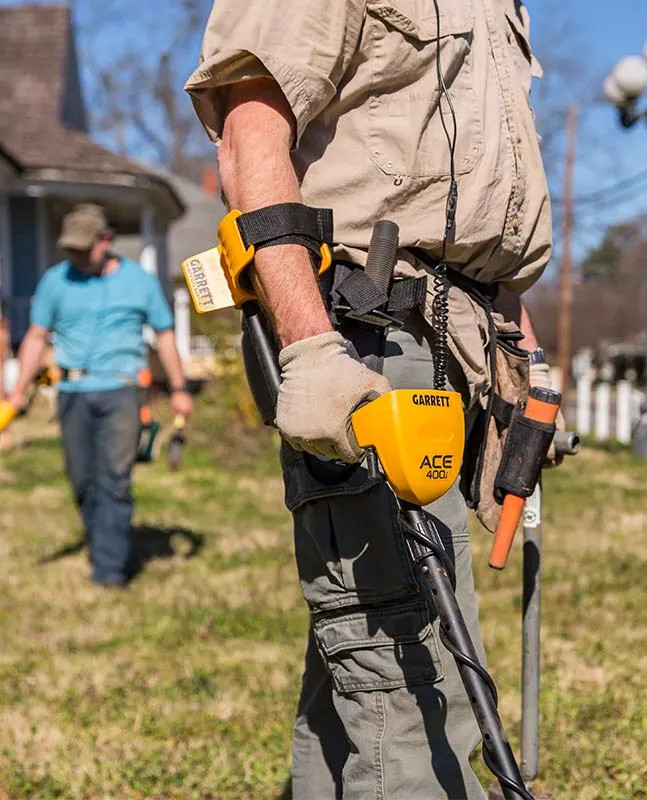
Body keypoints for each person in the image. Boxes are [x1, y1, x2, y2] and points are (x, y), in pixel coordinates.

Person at [185, 1, 554, 796]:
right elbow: (250, 136)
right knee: (409, 667)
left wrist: (526, 360)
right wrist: (314, 351)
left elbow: (486, 217)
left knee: (366, 642)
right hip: (365, 337)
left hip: (462, 337)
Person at [8, 204, 193, 587]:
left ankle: (108, 570)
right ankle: (101, 540)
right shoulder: (55, 282)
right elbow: (35, 338)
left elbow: (164, 335)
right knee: (81, 480)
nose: (75, 256)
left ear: (105, 241)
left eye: (82, 248)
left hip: (122, 390)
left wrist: (179, 388)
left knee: (113, 478)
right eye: (70, 249)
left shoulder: (139, 282)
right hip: (72, 391)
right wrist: (16, 393)